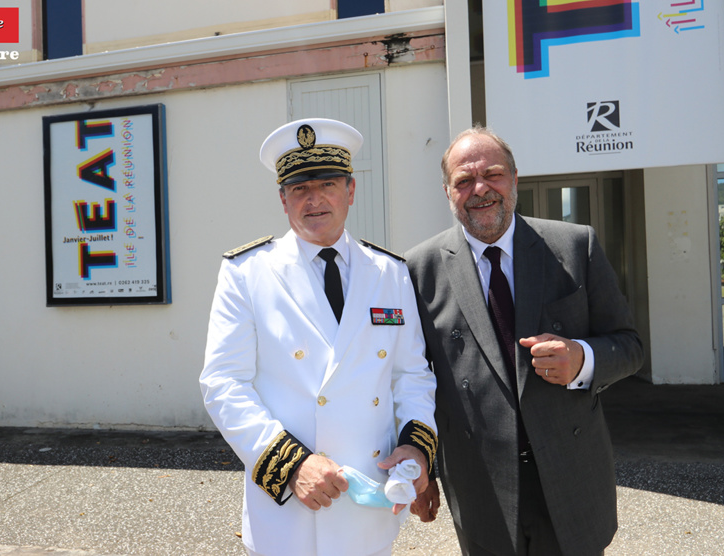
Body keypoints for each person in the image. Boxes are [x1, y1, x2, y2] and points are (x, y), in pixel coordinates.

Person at [200, 118, 437, 556]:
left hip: (369, 504)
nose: (314, 199)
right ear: (282, 199)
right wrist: (291, 465)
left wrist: (418, 448)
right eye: (298, 188)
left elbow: (412, 376)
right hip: (287, 510)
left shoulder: (390, 272)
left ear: (350, 191)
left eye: (327, 184)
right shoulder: (246, 273)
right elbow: (222, 383)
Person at [405, 126, 644, 556]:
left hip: (571, 482)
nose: (480, 189)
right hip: (482, 490)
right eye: (464, 180)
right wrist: (419, 466)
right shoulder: (418, 269)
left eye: (493, 174)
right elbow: (410, 378)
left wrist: (582, 358)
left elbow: (629, 345)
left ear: (515, 178)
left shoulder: (575, 246)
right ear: (447, 192)